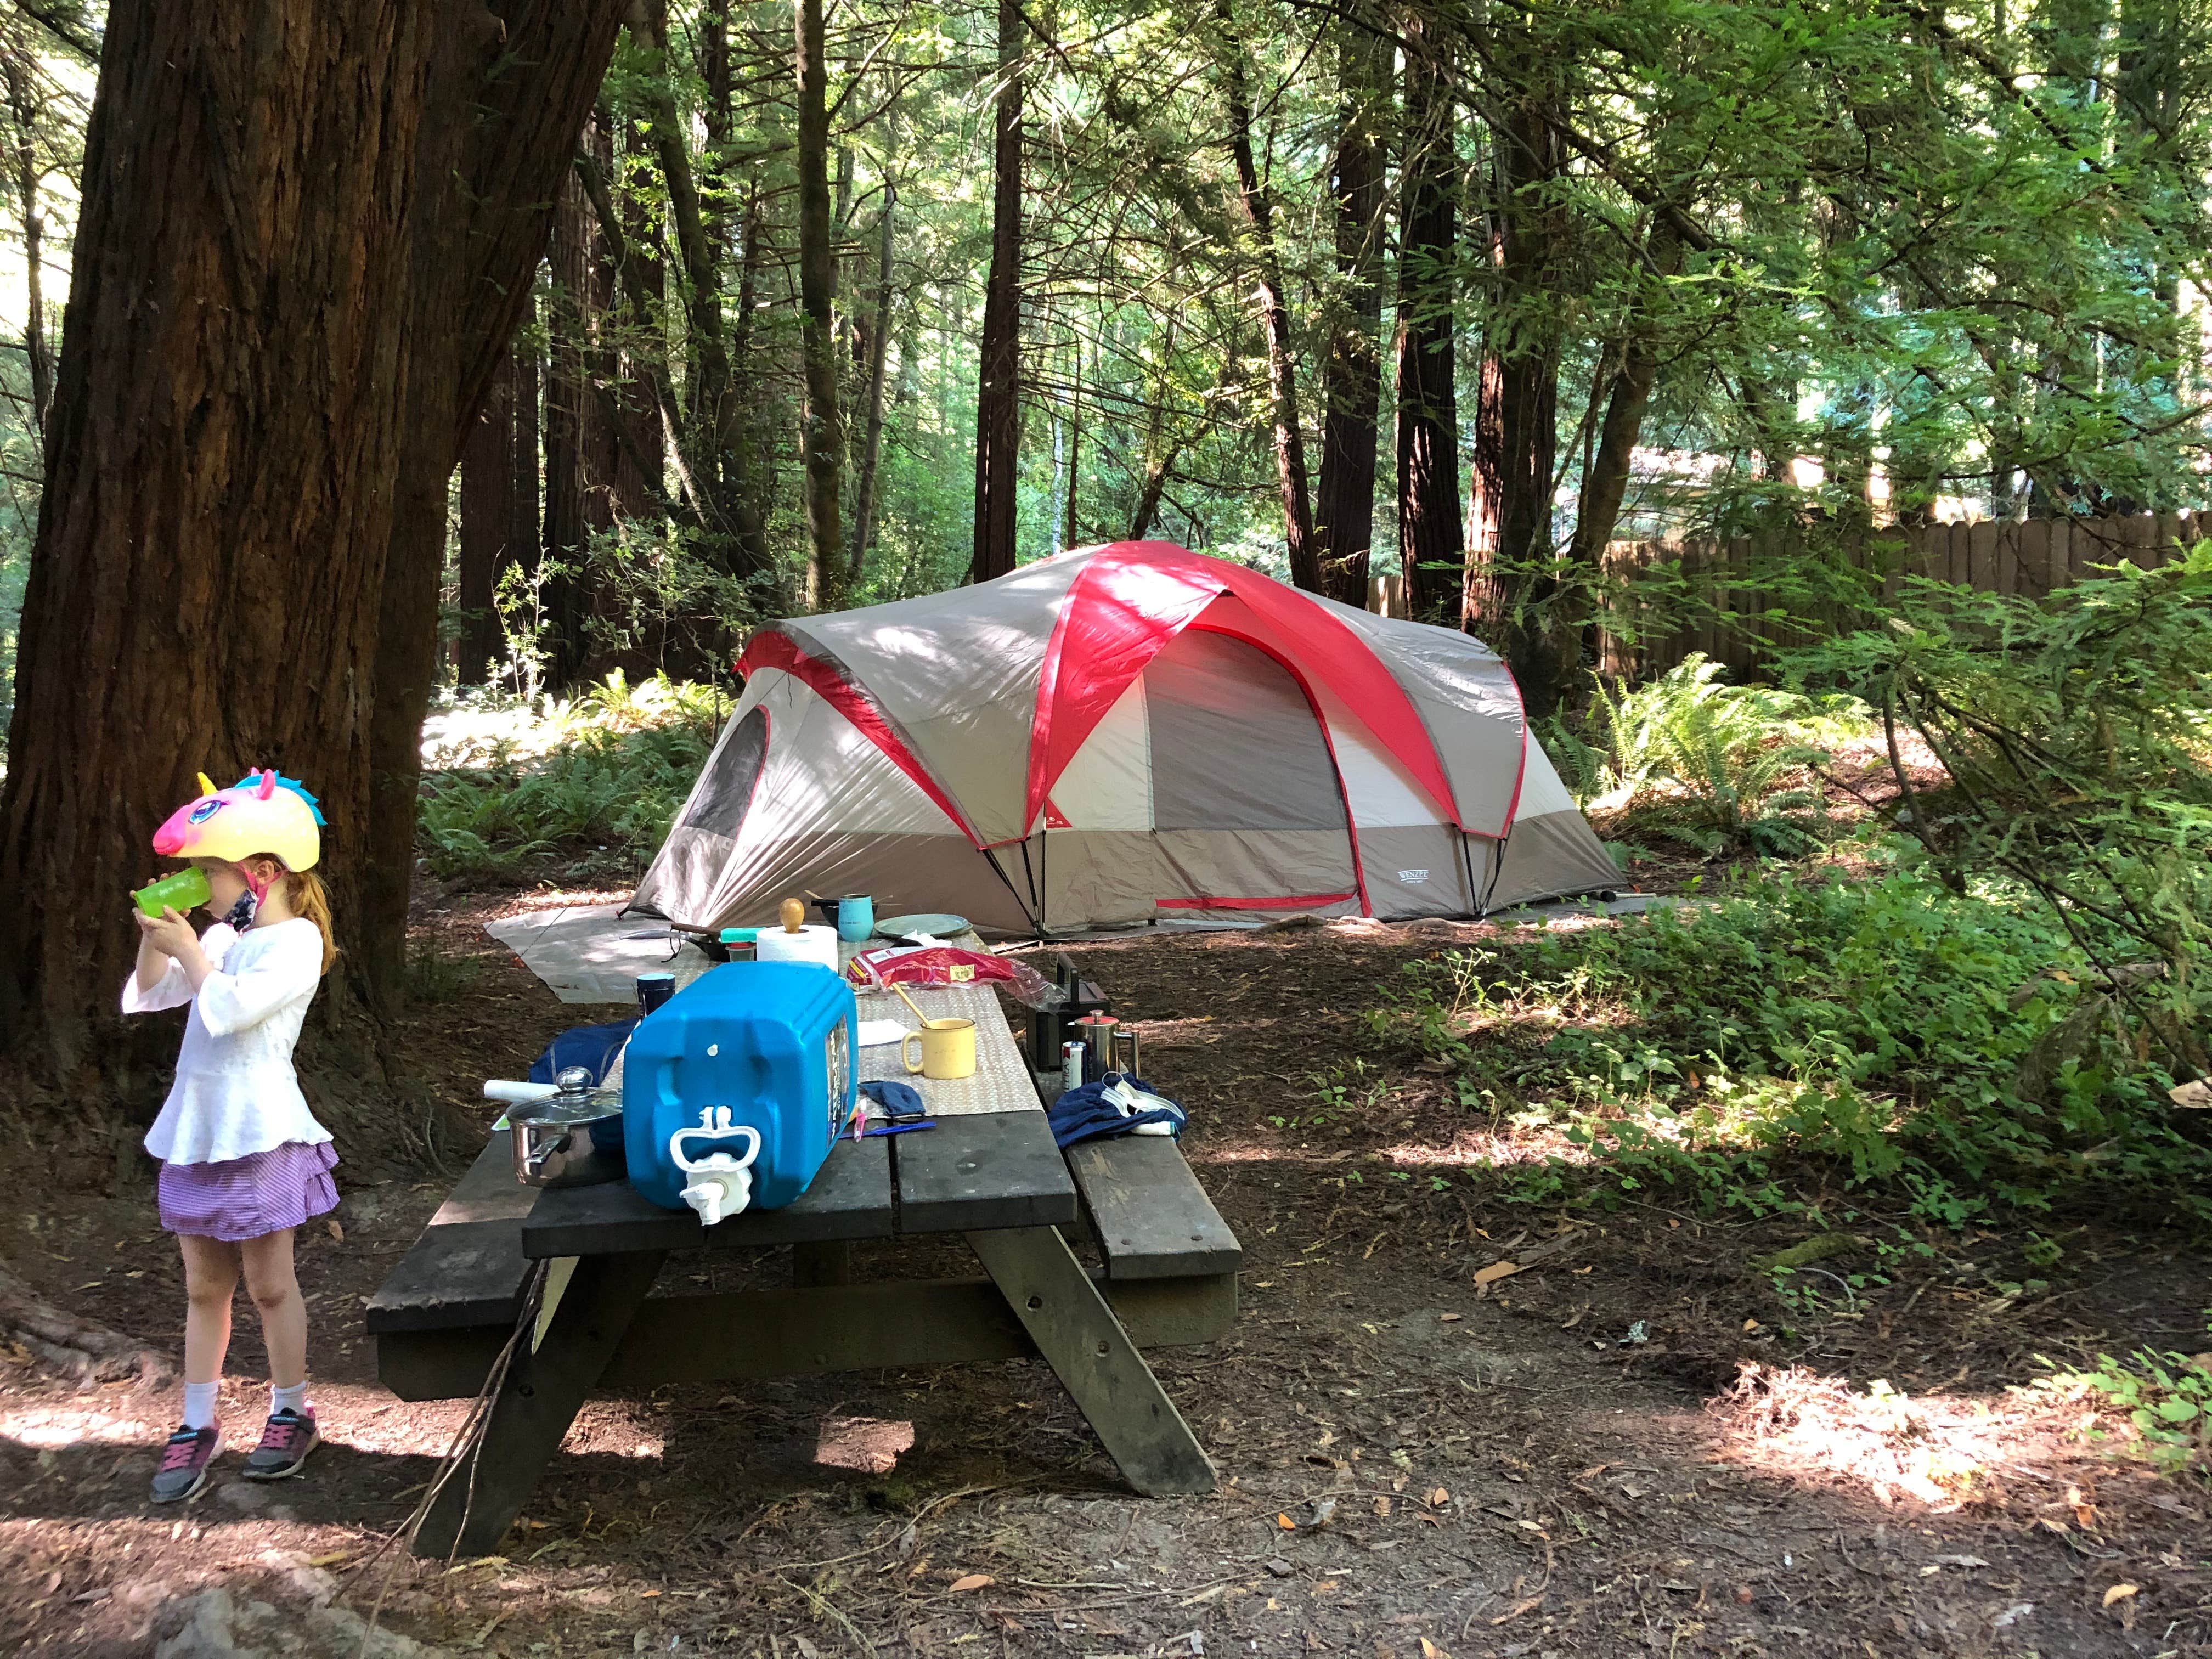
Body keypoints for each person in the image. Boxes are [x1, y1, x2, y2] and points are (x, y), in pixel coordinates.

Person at [125, 770, 338, 1503]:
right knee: (203, 1287)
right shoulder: (219, 935)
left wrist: (191, 950)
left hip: (260, 1131)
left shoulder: (296, 942)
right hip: (197, 1130)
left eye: (208, 870)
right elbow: (149, 995)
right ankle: (196, 1423)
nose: (199, 883)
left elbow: (232, 1012)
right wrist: (158, 937)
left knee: (271, 1285)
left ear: (262, 872)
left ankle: (291, 1411)